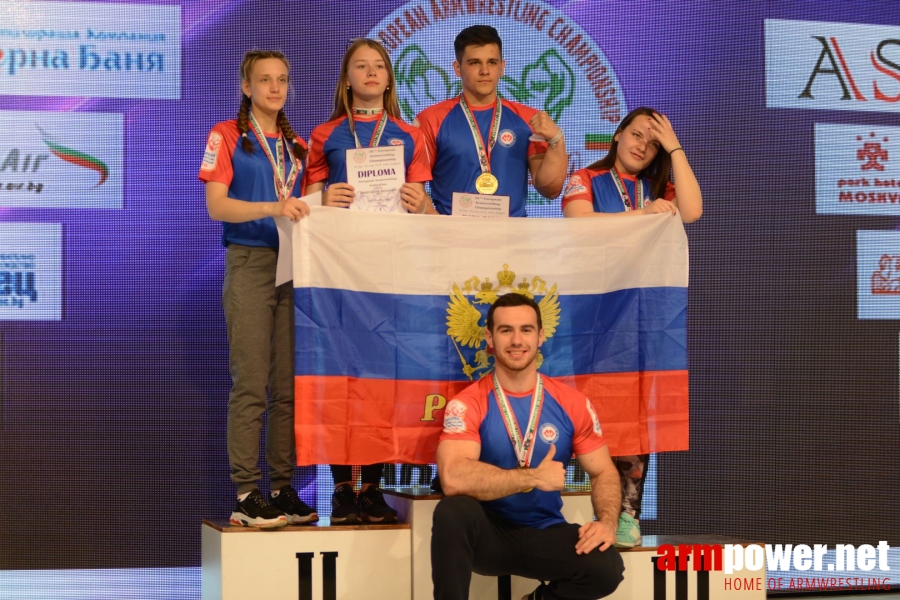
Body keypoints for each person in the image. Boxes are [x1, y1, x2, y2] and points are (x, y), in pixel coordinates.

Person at [561, 106, 703, 548]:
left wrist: (675, 145)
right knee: (582, 410)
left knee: (637, 413)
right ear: (618, 134)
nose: (643, 145)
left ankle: (627, 513)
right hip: (590, 316)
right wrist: (645, 217)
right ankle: (564, 509)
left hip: (642, 318)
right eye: (637, 134)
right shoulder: (585, 178)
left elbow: (694, 211)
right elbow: (579, 222)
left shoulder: (657, 188)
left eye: (653, 142)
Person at [306, 38, 434, 523]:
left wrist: (418, 204)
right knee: (341, 374)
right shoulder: (324, 135)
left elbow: (422, 208)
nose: (371, 72)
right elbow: (312, 204)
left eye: (379, 65)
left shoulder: (409, 133)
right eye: (361, 66)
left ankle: (374, 485)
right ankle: (341, 488)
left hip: (389, 268)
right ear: (347, 79)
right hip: (340, 267)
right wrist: (326, 196)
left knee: (381, 377)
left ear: (388, 76)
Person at [432, 293, 624, 600]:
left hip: (544, 531)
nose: (516, 340)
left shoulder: (572, 403)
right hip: (488, 534)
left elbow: (604, 472)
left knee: (607, 566)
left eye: (526, 330)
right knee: (453, 511)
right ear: (489, 337)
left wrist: (607, 523)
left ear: (541, 336)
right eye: (506, 330)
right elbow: (453, 478)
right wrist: (532, 477)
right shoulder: (468, 403)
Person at [199, 49, 318, 529]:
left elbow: (308, 207)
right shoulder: (227, 135)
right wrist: (273, 207)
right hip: (248, 262)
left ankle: (283, 487)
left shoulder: (299, 147)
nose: (274, 88)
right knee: (251, 384)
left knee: (287, 385)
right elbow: (217, 207)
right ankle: (247, 492)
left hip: (293, 267)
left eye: (282, 80)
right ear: (246, 86)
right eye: (265, 80)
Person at [415, 25, 568, 217]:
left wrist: (557, 141)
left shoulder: (528, 119)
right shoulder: (431, 120)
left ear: (502, 67)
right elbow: (414, 188)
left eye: (492, 62)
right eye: (474, 63)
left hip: (511, 241)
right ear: (457, 68)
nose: (485, 71)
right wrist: (441, 228)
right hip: (452, 241)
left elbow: (550, 189)